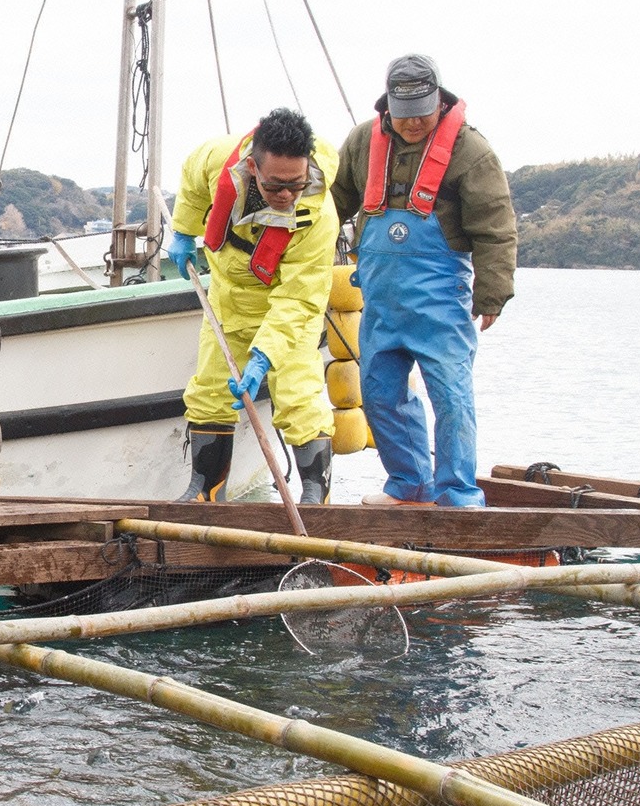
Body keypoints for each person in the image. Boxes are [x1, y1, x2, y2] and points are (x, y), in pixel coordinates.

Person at [331, 54, 517, 507]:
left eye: (423, 112)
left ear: (440, 100)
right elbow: (332, 202)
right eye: (403, 113)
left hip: (440, 299)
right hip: (380, 298)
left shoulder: (472, 152)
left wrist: (492, 293)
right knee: (378, 394)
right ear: (388, 104)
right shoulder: (362, 141)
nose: (413, 122)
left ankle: (456, 493)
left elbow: (495, 227)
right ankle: (409, 485)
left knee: (451, 397)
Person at [167, 108, 340, 504]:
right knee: (210, 390)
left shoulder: (318, 217)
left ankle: (316, 495)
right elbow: (193, 184)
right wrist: (183, 230)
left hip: (285, 305)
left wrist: (264, 355)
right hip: (227, 298)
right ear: (252, 168)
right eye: (275, 186)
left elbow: (298, 299)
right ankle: (206, 490)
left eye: (295, 186)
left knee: (299, 395)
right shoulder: (216, 159)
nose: (285, 196)